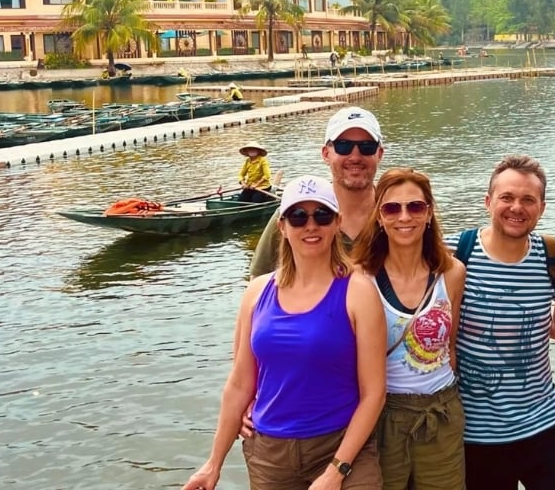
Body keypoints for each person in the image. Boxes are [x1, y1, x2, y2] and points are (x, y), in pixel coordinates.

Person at [181, 175, 387, 490]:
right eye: (298, 216)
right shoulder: (256, 292)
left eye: (322, 215)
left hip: (341, 445)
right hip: (270, 455)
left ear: (337, 223)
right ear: (282, 226)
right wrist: (213, 464)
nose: (311, 226)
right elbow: (240, 384)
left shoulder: (359, 293)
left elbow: (373, 393)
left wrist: (336, 471)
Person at [445, 154, 555, 490]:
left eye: (528, 200)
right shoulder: (455, 253)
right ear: (488, 201)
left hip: (543, 424)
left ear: (542, 208)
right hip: (475, 435)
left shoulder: (551, 254)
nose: (516, 208)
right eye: (506, 197)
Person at [351, 168, 467, 490]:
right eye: (392, 208)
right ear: (379, 217)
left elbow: (450, 347)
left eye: (415, 207)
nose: (404, 217)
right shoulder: (359, 278)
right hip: (383, 415)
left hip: (441, 413)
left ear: (428, 214)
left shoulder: (451, 273)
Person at [249, 106, 384, 278]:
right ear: (326, 154)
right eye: (343, 146)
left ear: (380, 154)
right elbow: (257, 283)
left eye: (367, 146)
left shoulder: (400, 213)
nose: (355, 157)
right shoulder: (293, 216)